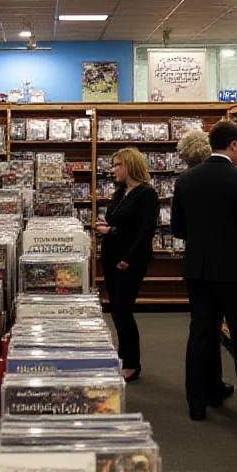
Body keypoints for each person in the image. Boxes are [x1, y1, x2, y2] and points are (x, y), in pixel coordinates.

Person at [171, 121, 237, 421]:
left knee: (201, 334)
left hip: (199, 270)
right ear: (234, 145)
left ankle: (198, 401)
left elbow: (177, 228)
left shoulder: (185, 180)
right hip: (236, 273)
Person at [96, 148, 159, 382]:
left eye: (117, 165)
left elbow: (145, 232)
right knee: (117, 311)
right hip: (112, 258)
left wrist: (128, 259)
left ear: (129, 165)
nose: (113, 170)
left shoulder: (147, 194)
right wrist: (106, 225)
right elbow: (118, 222)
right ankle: (123, 357)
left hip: (129, 261)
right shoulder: (121, 191)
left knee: (123, 311)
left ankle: (132, 363)